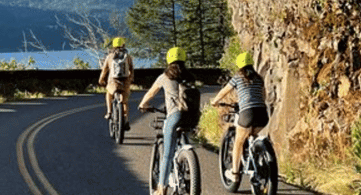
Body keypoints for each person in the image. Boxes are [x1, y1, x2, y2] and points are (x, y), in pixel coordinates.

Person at [138, 46, 196, 195]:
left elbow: (151, 92)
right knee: (185, 138)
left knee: (168, 155)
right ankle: (188, 164)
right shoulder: (190, 76)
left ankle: (161, 189)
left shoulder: (165, 77)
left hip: (174, 115)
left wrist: (143, 104)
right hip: (192, 116)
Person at [210, 51, 269, 183]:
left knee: (239, 141)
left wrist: (215, 101)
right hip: (262, 114)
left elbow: (225, 91)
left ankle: (235, 174)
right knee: (252, 135)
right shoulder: (259, 78)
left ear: (239, 65)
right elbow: (263, 96)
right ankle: (257, 156)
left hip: (247, 114)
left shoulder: (238, 77)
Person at [98, 36, 134, 130]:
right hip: (125, 83)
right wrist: (130, 79)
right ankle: (125, 119)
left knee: (108, 94)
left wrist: (101, 80)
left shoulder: (110, 56)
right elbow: (131, 70)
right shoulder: (128, 56)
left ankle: (109, 112)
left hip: (113, 82)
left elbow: (104, 70)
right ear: (123, 45)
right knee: (125, 102)